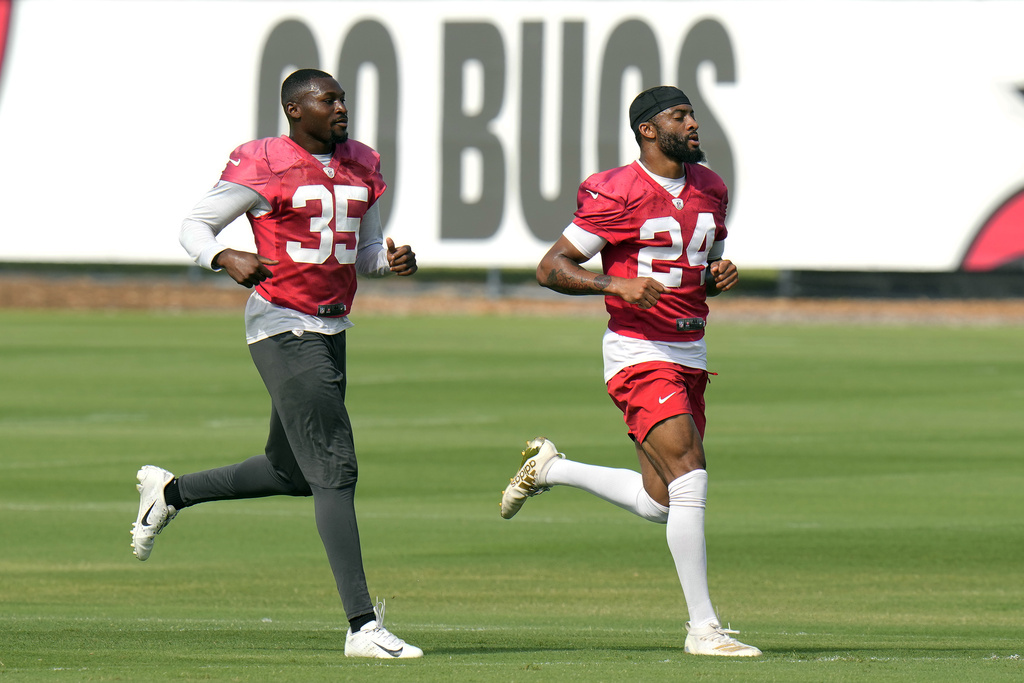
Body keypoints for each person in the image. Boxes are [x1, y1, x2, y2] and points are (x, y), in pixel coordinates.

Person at [131, 68, 423, 659]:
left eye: (342, 98)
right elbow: (195, 224)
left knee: (290, 472)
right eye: (328, 99)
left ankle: (171, 493)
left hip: (332, 324)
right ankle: (362, 626)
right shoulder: (264, 162)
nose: (341, 107)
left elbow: (361, 252)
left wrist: (390, 262)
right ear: (294, 109)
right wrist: (222, 254)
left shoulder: (362, 163)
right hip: (283, 324)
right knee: (335, 471)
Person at [500, 85, 761, 657]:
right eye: (680, 115)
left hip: (691, 351)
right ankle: (703, 629)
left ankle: (552, 470)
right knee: (691, 477)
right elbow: (552, 268)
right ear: (648, 129)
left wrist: (716, 273)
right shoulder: (616, 191)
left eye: (692, 114)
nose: (693, 124)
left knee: (662, 501)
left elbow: (700, 257)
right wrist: (613, 282)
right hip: (640, 351)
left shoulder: (711, 186)